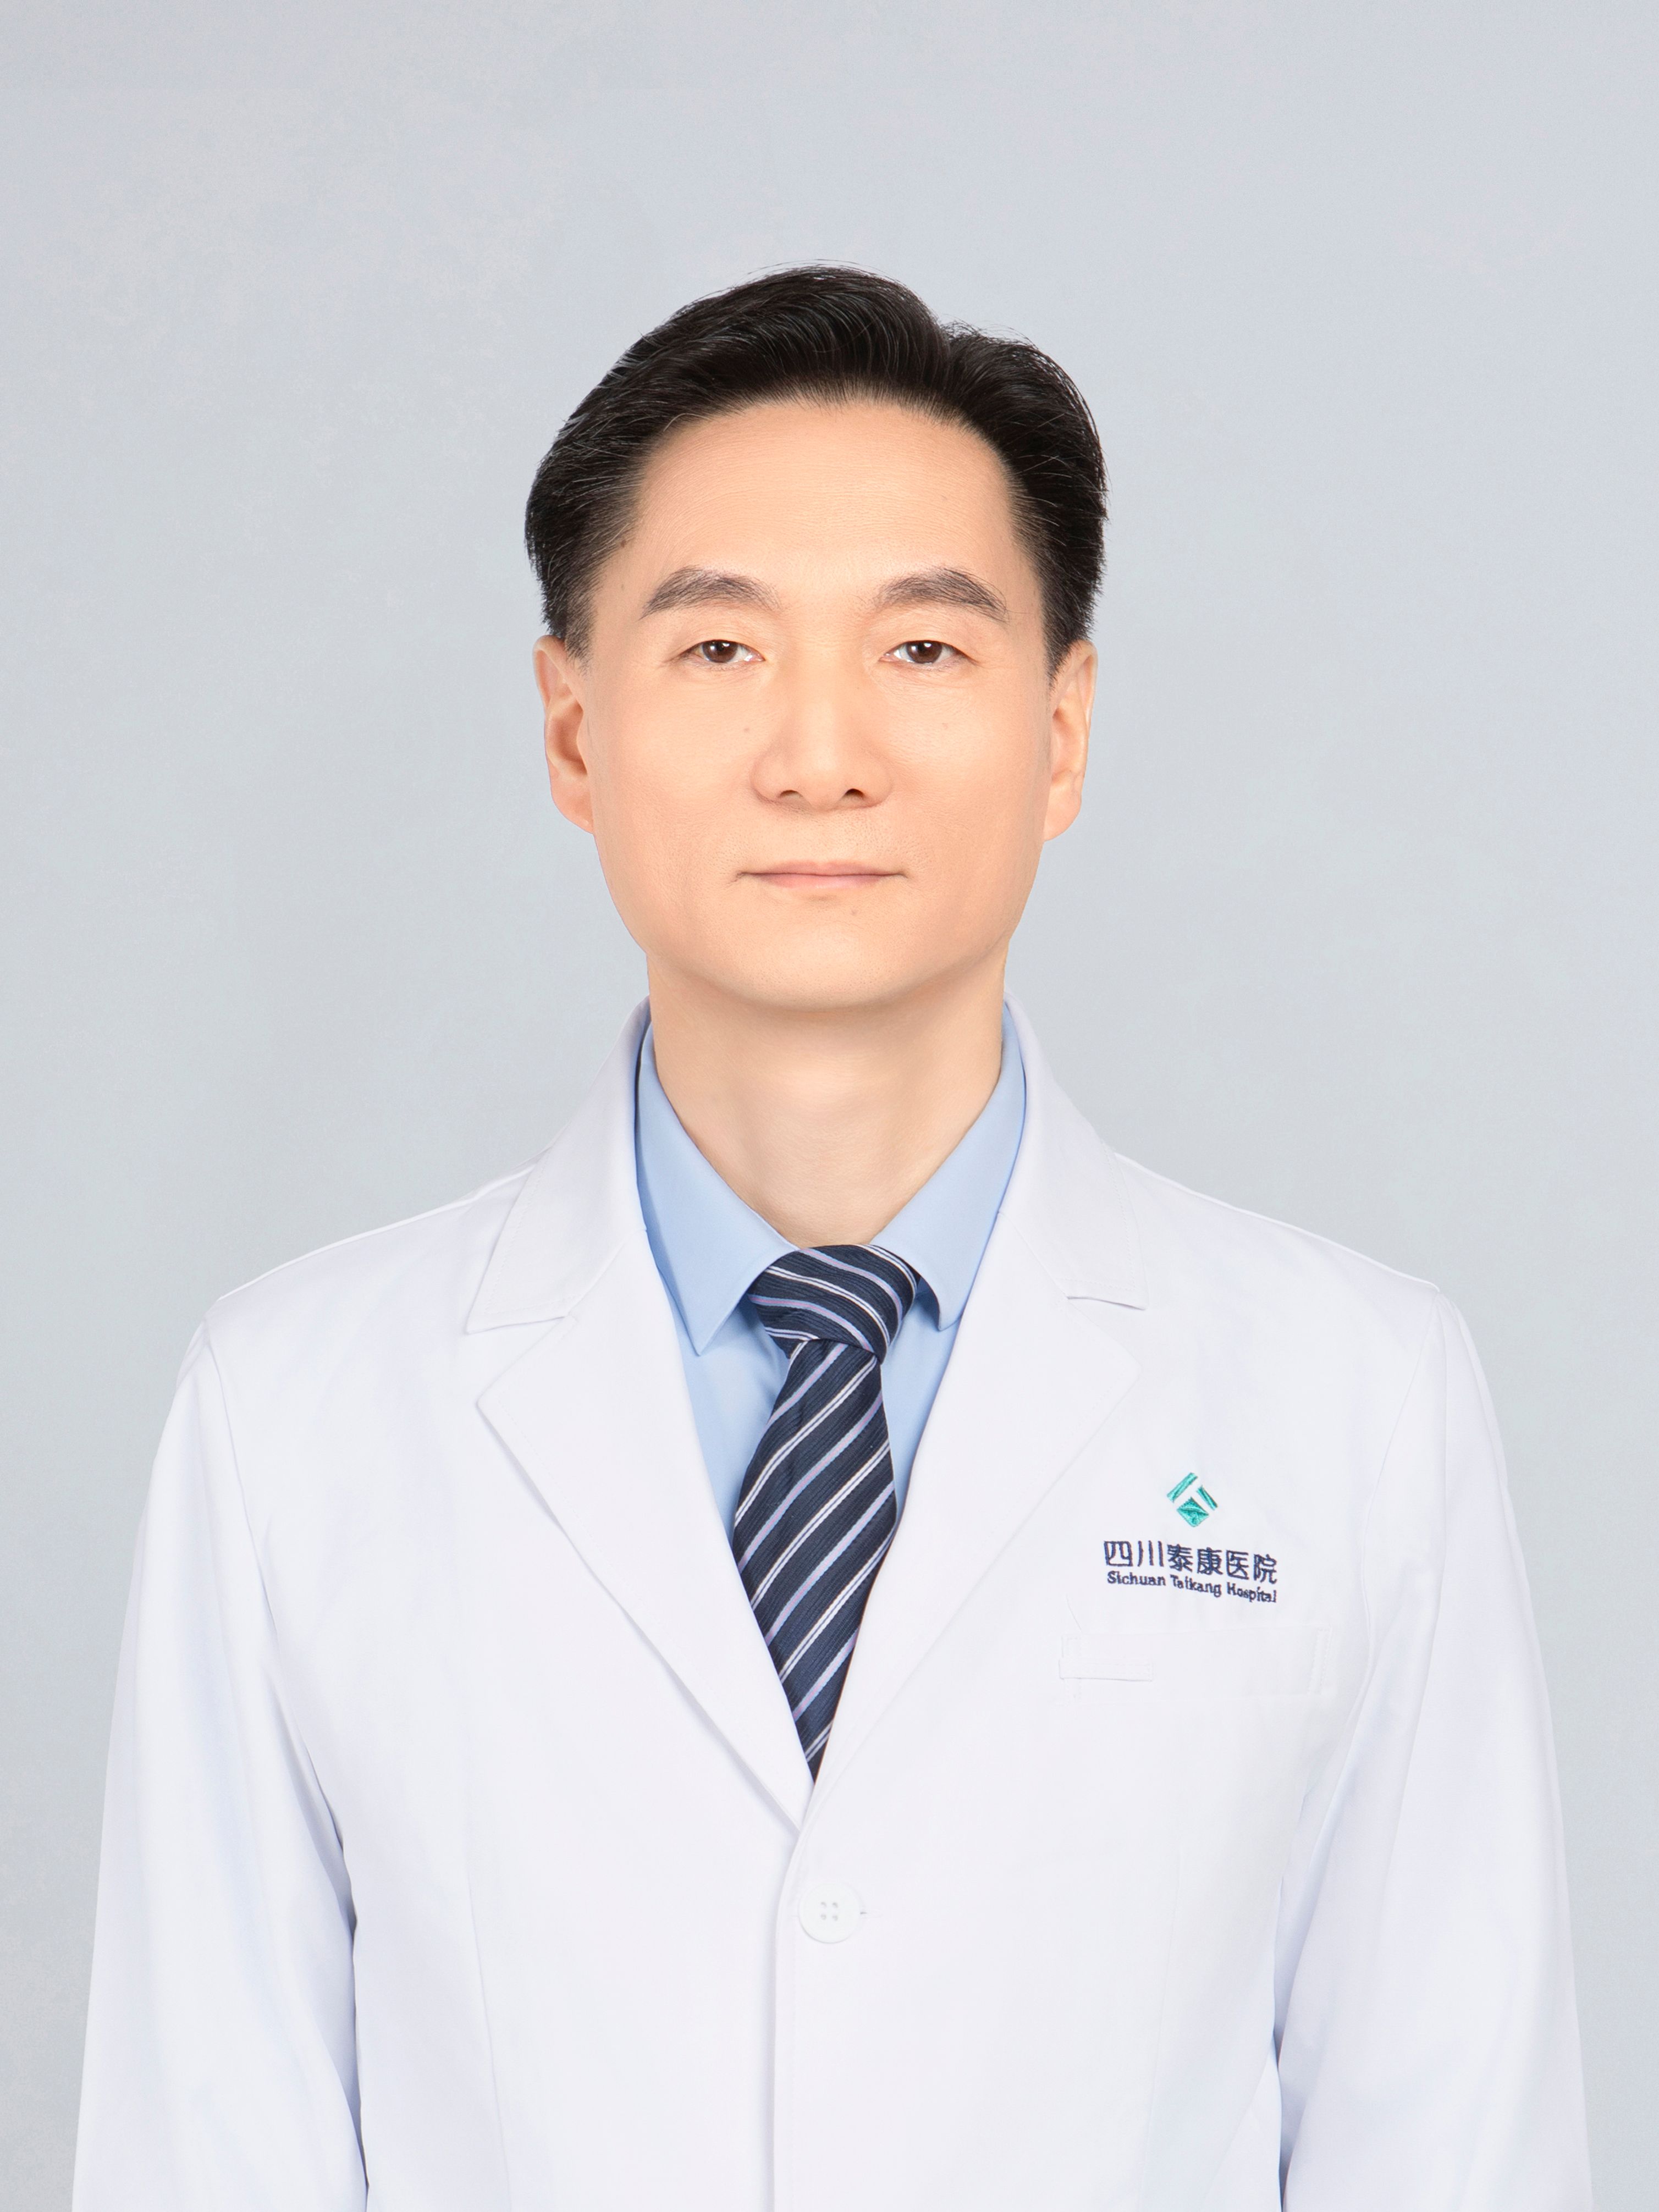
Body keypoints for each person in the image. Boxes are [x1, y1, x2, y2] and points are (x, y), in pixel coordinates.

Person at [74, 266, 1590, 2211]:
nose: (819, 754)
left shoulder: (1353, 1398)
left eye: (923, 650)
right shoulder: (295, 1410)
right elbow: (204, 2145)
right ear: (571, 731)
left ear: (1061, 734)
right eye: (718, 648)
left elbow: (1451, 2149)